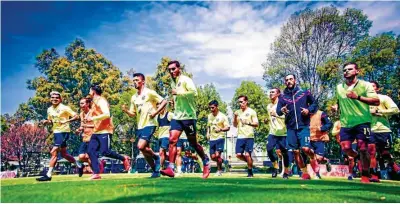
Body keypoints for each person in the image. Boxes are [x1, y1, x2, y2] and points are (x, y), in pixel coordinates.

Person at [160, 60, 211, 179]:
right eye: (169, 70)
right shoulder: (173, 82)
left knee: (193, 143)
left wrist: (178, 93)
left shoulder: (186, 80)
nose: (171, 72)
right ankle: (171, 168)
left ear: (179, 68)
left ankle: (205, 160)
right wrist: (175, 102)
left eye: (173, 69)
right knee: (172, 140)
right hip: (177, 117)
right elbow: (178, 97)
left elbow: (194, 93)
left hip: (188, 117)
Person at [333, 62, 380, 183]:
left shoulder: (366, 85)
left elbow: (376, 101)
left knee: (363, 147)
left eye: (349, 69)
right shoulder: (339, 87)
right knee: (346, 148)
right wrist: (336, 106)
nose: (346, 71)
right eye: (344, 70)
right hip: (346, 123)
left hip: (362, 121)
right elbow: (340, 100)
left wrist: (358, 97)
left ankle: (365, 174)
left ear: (357, 71)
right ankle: (358, 157)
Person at [122, 73, 167, 178]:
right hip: (140, 126)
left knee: (140, 146)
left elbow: (164, 101)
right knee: (143, 150)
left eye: (137, 80)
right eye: (133, 80)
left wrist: (155, 113)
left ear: (143, 81)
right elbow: (133, 113)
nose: (134, 82)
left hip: (150, 123)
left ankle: (156, 158)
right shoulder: (134, 97)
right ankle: (155, 171)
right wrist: (126, 111)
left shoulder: (150, 93)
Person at [276, 74, 318, 180]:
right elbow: (278, 111)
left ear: (295, 80)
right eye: (286, 80)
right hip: (291, 128)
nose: (289, 81)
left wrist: (308, 110)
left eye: (290, 79)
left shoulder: (304, 92)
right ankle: (305, 173)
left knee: (306, 149)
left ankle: (314, 158)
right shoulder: (282, 97)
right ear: (285, 82)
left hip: (304, 126)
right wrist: (282, 110)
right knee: (295, 151)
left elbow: (314, 104)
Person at [86, 84, 131, 180]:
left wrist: (93, 118)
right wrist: (88, 115)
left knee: (105, 152)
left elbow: (106, 114)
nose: (89, 93)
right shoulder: (94, 102)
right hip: (96, 131)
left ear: (93, 92)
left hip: (105, 130)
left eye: (90, 91)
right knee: (90, 151)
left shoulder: (101, 101)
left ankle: (124, 159)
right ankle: (96, 173)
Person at [36, 91, 80, 182]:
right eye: (52, 98)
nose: (54, 99)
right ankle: (78, 163)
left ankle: (48, 174)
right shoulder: (49, 109)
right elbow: (50, 120)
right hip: (56, 132)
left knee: (54, 151)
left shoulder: (65, 108)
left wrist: (67, 121)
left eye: (56, 98)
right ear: (50, 99)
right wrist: (46, 122)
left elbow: (77, 116)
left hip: (64, 132)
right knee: (63, 154)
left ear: (60, 99)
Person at [368, 81, 400, 182]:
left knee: (384, 153)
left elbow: (396, 110)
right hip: (369, 130)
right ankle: (373, 175)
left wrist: (379, 111)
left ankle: (394, 166)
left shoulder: (384, 98)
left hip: (383, 129)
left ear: (377, 89)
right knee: (371, 153)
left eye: (373, 87)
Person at [75, 97, 105, 177]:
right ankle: (88, 166)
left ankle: (95, 173)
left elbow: (97, 125)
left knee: (89, 156)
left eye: (82, 103)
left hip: (93, 138)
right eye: (80, 103)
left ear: (87, 104)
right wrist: (79, 129)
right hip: (85, 138)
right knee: (81, 157)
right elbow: (82, 125)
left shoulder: (93, 113)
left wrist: (87, 125)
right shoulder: (81, 114)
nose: (80, 105)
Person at [265, 88, 290, 179]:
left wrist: (276, 115)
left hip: (283, 132)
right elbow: (271, 119)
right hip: (272, 132)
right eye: (270, 92)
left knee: (284, 152)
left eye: (273, 92)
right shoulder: (268, 106)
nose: (271, 94)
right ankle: (275, 167)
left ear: (278, 94)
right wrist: (267, 120)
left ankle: (286, 172)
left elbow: (288, 117)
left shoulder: (283, 105)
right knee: (269, 149)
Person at [233, 95, 259, 177]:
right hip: (240, 136)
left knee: (247, 154)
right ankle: (250, 161)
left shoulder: (252, 111)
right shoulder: (238, 112)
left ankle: (250, 171)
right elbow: (234, 125)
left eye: (242, 102)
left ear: (246, 102)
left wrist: (248, 122)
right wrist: (235, 117)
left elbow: (256, 124)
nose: (240, 104)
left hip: (249, 136)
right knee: (238, 155)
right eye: (239, 102)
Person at [207, 100, 230, 176]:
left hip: (220, 137)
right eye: (210, 108)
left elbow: (228, 127)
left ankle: (219, 171)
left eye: (213, 108)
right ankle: (225, 162)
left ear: (217, 107)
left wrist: (220, 129)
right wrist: (208, 133)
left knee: (217, 155)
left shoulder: (223, 116)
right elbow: (208, 125)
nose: (211, 109)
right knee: (213, 157)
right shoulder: (209, 116)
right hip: (212, 138)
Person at [309, 110, 333, 179]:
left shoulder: (321, 113)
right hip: (308, 138)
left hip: (320, 139)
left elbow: (329, 123)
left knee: (319, 158)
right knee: (311, 156)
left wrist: (322, 128)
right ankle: (317, 174)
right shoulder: (304, 113)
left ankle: (327, 161)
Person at [155, 101, 173, 170]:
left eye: (159, 107)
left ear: (163, 107)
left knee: (161, 151)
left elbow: (177, 121)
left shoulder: (169, 115)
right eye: (157, 108)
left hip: (166, 136)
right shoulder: (157, 116)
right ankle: (171, 163)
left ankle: (159, 169)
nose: (158, 109)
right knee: (163, 154)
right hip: (160, 137)